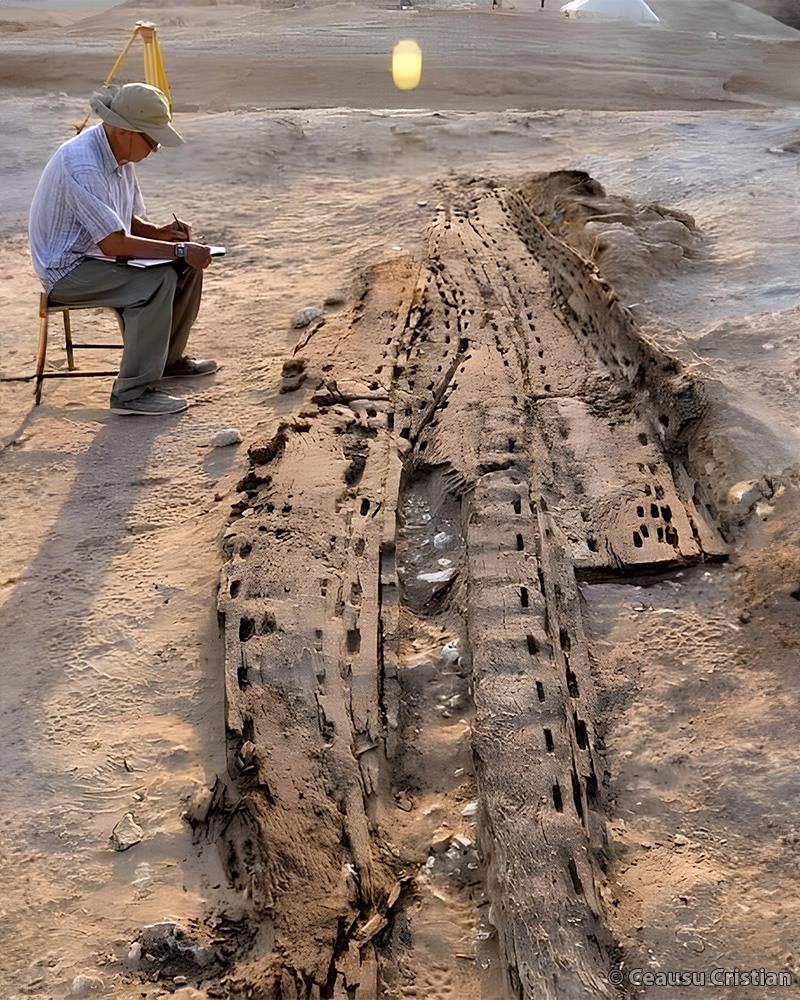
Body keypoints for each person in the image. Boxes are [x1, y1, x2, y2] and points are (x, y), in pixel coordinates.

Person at [29, 82, 217, 415]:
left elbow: (123, 220)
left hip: (95, 256)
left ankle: (166, 360)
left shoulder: (119, 155)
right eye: (152, 138)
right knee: (158, 280)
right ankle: (132, 393)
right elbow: (115, 242)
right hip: (67, 269)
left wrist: (162, 235)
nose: (156, 148)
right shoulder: (82, 164)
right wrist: (179, 251)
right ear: (123, 131)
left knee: (185, 268)